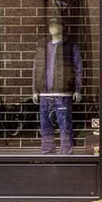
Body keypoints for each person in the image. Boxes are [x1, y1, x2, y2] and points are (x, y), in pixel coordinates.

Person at [32, 18, 83, 154]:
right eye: (51, 25)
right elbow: (36, 68)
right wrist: (35, 90)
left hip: (63, 92)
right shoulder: (43, 46)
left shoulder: (71, 46)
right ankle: (47, 150)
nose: (52, 27)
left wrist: (78, 89)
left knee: (64, 123)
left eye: (55, 25)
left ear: (62, 27)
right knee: (45, 123)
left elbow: (78, 69)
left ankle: (66, 151)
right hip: (45, 92)